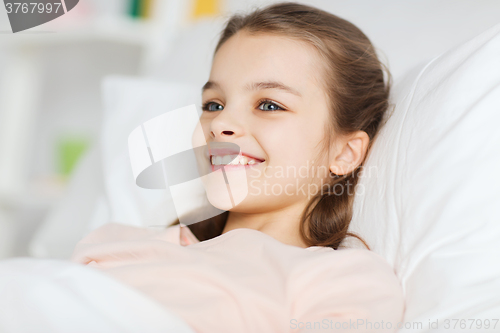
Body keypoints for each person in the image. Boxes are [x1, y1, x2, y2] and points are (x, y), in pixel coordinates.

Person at [71, 2, 404, 332]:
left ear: (345, 152)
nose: (220, 123)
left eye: (269, 105)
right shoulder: (116, 243)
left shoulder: (340, 282)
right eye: (213, 105)